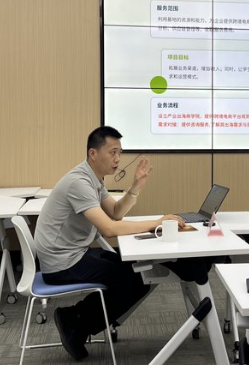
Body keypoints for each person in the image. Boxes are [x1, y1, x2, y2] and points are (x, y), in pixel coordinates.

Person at [34, 126, 186, 361]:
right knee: (135, 280)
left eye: (120, 153)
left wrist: (136, 187)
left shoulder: (94, 179)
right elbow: (109, 229)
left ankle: (76, 318)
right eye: (112, 152)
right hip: (61, 264)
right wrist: (157, 222)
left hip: (73, 254)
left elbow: (115, 212)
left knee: (136, 271)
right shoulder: (79, 182)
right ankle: (75, 321)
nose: (117, 159)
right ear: (93, 153)